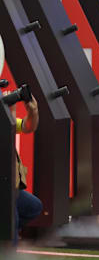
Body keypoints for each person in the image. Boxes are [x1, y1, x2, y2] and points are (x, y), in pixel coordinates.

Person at [5, 92, 41, 246]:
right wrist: (9, 113)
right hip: (4, 189)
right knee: (12, 220)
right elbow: (7, 131)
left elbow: (28, 126)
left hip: (9, 187)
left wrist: (33, 110)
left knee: (33, 207)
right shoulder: (6, 121)